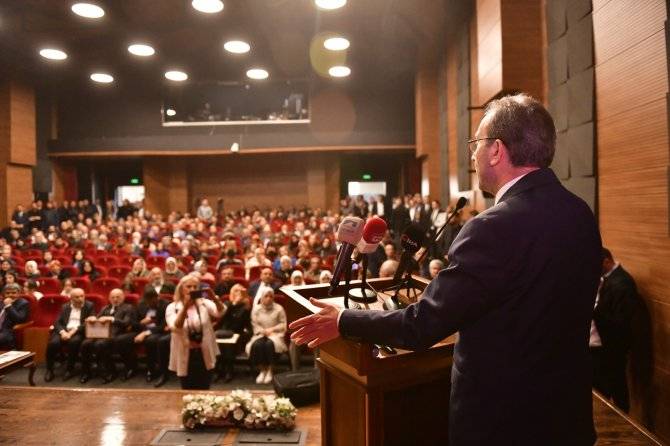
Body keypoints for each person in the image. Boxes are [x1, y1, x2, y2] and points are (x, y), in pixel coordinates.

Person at [290, 94, 603, 446]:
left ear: (497, 150)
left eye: (476, 144)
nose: (473, 154)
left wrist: (343, 320)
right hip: (566, 418)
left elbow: (422, 325)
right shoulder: (580, 214)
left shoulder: (491, 228)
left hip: (502, 425)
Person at [591, 248, 639, 412]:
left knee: (615, 390)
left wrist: (594, 313)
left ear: (606, 261)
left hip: (611, 349)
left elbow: (621, 322)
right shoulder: (607, 279)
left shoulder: (621, 283)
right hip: (603, 347)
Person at [166, 274, 223, 390]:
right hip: (185, 350)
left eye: (195, 287)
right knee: (187, 388)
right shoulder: (172, 307)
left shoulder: (204, 303)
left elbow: (220, 312)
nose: (192, 289)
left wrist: (214, 298)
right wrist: (186, 306)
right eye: (188, 286)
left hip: (204, 350)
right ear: (181, 289)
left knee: (205, 386)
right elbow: (176, 327)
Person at [79, 288, 137, 384]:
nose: (115, 299)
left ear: (123, 297)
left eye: (118, 297)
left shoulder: (128, 307)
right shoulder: (105, 308)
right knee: (85, 344)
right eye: (113, 297)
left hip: (119, 333)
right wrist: (93, 318)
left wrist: (112, 319)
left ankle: (110, 371)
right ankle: (86, 372)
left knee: (100, 344)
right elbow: (97, 319)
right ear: (109, 298)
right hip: (101, 333)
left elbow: (127, 323)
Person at [45, 288, 94, 382]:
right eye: (77, 297)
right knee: (53, 344)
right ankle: (49, 370)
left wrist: (71, 333)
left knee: (74, 342)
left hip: (78, 331)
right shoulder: (65, 307)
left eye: (82, 296)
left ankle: (69, 369)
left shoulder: (89, 306)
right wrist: (63, 332)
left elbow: (88, 323)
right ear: (71, 298)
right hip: (64, 330)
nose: (80, 299)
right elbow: (57, 322)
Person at [246, 289, 287, 384]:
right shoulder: (256, 309)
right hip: (260, 333)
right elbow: (254, 324)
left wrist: (272, 330)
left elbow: (283, 324)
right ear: (262, 298)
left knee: (269, 344)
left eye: (271, 296)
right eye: (266, 296)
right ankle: (262, 370)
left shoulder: (279, 308)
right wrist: (262, 331)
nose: (268, 298)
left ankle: (270, 370)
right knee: (257, 345)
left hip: (275, 334)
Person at [133, 288, 170, 386]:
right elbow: (134, 322)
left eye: (152, 301)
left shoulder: (165, 305)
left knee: (150, 340)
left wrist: (146, 333)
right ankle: (133, 368)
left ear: (157, 298)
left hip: (159, 332)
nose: (149, 304)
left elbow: (163, 326)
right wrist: (141, 323)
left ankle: (152, 369)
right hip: (142, 330)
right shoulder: (142, 305)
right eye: (147, 301)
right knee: (124, 340)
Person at [214, 284, 251, 382]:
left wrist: (238, 304)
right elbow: (221, 320)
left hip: (239, 333)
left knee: (228, 344)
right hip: (223, 332)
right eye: (235, 291)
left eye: (240, 291)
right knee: (221, 342)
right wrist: (233, 304)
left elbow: (238, 323)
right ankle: (219, 370)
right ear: (231, 293)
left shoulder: (246, 306)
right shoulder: (226, 304)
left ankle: (228, 370)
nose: (237, 293)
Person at [0, 283, 30, 349]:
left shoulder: (23, 303)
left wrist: (8, 306)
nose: (10, 295)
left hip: (7, 331)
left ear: (19, 293)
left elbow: (19, 319)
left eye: (13, 293)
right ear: (4, 294)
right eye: (7, 293)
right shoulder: (2, 302)